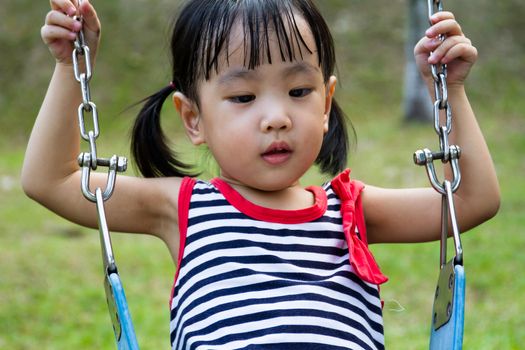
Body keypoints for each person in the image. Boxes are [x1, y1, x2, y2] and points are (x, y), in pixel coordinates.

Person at [23, 0, 500, 349]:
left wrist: (450, 90)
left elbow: (473, 201)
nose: (276, 117)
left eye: (298, 90)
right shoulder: (184, 207)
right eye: (243, 98)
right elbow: (51, 181)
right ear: (193, 119)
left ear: (327, 103)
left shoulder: (350, 209)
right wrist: (70, 67)